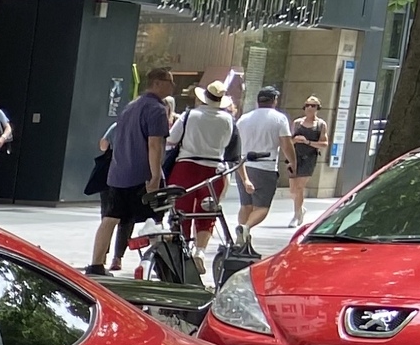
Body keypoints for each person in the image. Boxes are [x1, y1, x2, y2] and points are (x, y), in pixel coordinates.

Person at [90, 68, 173, 273]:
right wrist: (154, 176)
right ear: (157, 83)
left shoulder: (130, 106)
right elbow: (155, 145)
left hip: (119, 173)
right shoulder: (156, 109)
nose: (173, 86)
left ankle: (96, 263)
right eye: (169, 81)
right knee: (156, 221)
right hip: (142, 175)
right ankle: (158, 267)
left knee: (110, 218)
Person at [166, 83, 235, 254]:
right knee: (207, 213)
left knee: (181, 210)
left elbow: (172, 138)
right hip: (213, 169)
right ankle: (200, 252)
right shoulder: (227, 119)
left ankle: (182, 251)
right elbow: (226, 143)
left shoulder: (190, 115)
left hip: (186, 167)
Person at [232, 85, 291, 242]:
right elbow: (286, 144)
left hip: (243, 166)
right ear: (274, 101)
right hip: (265, 166)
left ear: (258, 101)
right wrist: (292, 161)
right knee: (262, 207)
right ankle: (245, 228)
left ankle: (242, 236)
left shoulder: (244, 118)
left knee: (245, 205)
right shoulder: (279, 118)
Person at [288, 97, 327, 229]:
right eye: (308, 105)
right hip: (294, 156)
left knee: (299, 187)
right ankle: (301, 208)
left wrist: (308, 142)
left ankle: (296, 215)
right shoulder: (297, 123)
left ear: (318, 108)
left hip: (309, 157)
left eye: (314, 106)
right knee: (293, 190)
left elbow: (324, 143)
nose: (310, 108)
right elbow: (289, 140)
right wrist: (295, 140)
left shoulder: (320, 125)